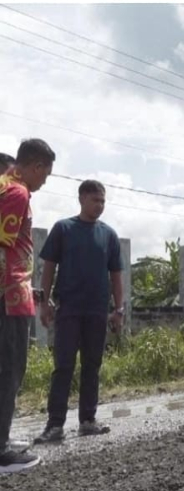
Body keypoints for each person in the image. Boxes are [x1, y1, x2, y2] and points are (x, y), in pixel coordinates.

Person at [35, 179, 123, 444]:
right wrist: (44, 300)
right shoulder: (64, 228)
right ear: (82, 199)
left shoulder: (108, 235)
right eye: (95, 200)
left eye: (103, 201)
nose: (100, 205)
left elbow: (116, 275)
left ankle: (87, 420)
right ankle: (55, 425)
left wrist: (119, 309)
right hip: (69, 309)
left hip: (97, 311)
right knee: (63, 366)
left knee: (92, 366)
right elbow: (48, 267)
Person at [0, 139, 54, 473]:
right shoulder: (17, 193)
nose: (43, 182)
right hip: (10, 297)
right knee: (9, 370)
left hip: (12, 293)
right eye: (45, 176)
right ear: (35, 166)